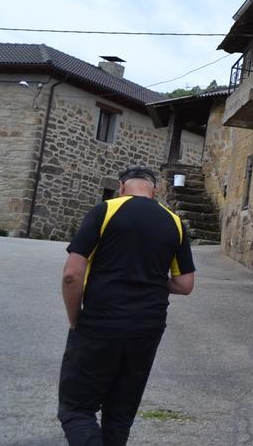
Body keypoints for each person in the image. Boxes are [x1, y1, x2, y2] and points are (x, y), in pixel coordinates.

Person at [57, 166, 195, 446]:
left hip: (100, 324)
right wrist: (152, 280)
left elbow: (72, 274)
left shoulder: (104, 211)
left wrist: (75, 319)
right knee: (119, 416)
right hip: (147, 329)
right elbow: (185, 285)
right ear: (154, 190)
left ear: (121, 187)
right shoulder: (175, 222)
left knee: (77, 410)